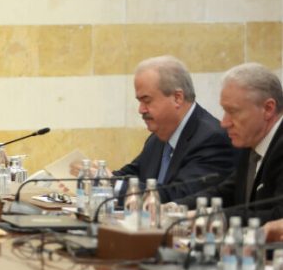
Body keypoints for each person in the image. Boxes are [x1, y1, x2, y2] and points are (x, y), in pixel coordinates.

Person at [74, 56, 236, 202]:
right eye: (139, 101)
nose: (141, 110)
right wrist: (97, 174)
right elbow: (133, 174)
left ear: (177, 98)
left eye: (147, 100)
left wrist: (110, 183)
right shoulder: (160, 134)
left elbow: (179, 195)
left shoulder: (212, 139)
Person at [175, 63, 283, 224]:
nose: (224, 123)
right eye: (225, 111)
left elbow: (278, 216)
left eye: (233, 112)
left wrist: (212, 217)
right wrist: (175, 208)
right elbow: (226, 192)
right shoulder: (251, 141)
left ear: (268, 109)